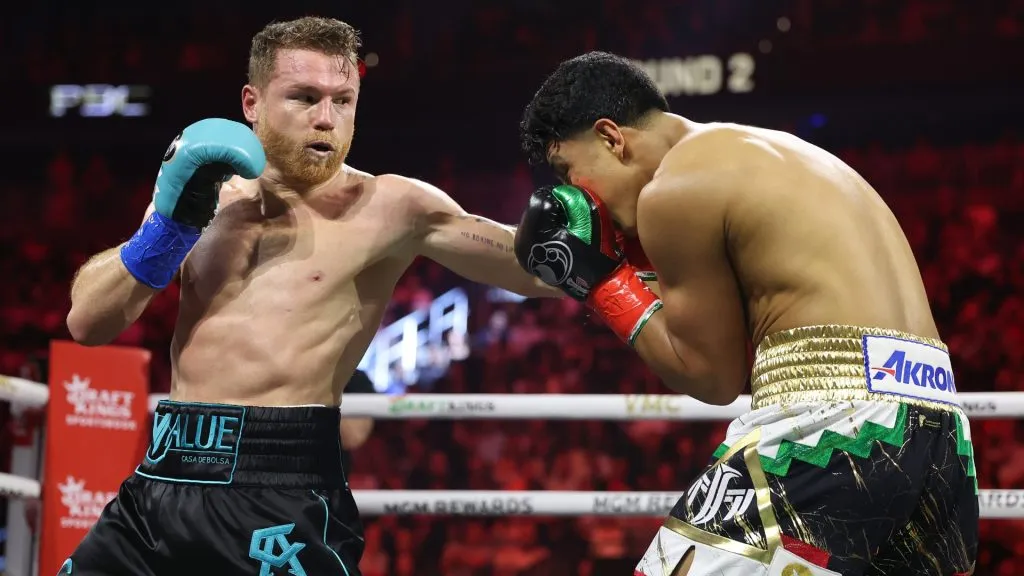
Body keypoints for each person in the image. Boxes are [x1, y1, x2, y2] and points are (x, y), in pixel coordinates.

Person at [63, 16, 558, 576]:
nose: (326, 119)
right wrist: (168, 228)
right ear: (251, 103)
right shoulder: (203, 193)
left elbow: (538, 270)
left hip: (280, 483)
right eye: (304, 97)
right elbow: (88, 323)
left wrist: (616, 237)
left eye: (343, 101)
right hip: (160, 480)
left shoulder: (391, 207)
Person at [514, 51, 977, 576]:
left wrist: (602, 284)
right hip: (941, 432)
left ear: (610, 137)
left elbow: (711, 375)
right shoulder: (770, 152)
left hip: (832, 423)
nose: (573, 194)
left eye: (567, 169)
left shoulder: (673, 191)